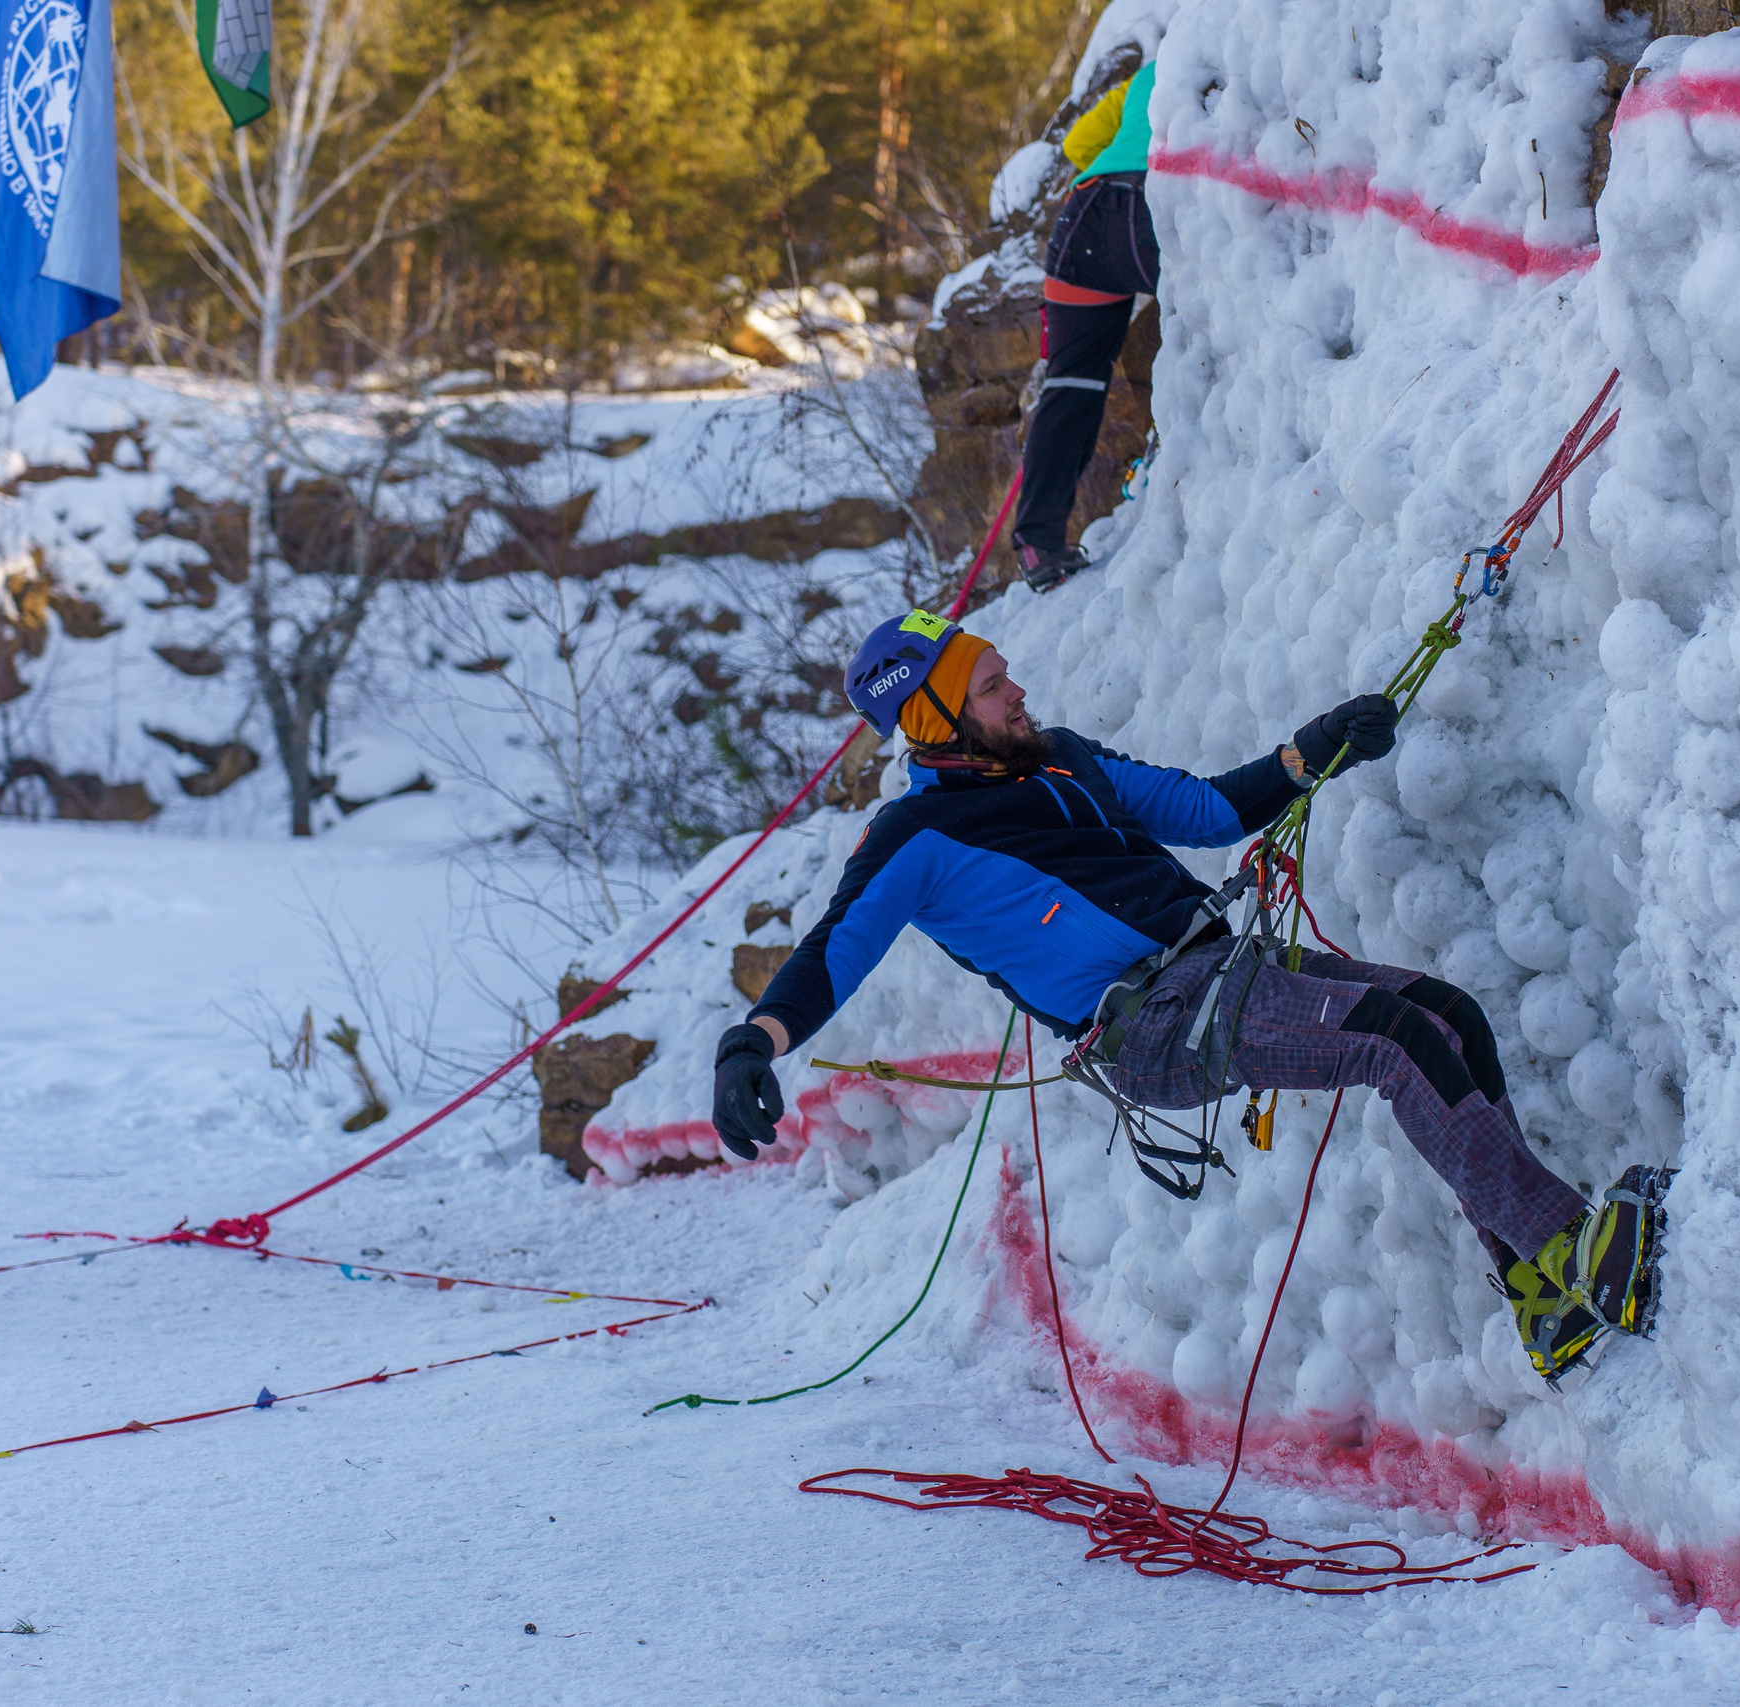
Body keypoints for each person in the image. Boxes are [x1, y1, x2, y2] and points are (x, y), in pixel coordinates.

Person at [710, 609, 1670, 1381]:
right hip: (1152, 1025)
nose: (1018, 690)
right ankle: (1573, 1248)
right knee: (1393, 1039)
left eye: (1006, 674)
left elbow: (1207, 808)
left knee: (1445, 1016)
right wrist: (756, 1040)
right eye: (992, 685)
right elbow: (833, 949)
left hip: (1220, 967)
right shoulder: (915, 838)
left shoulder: (1066, 756)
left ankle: (1543, 1297)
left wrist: (1317, 746)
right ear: (933, 716)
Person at [1013, 62, 1162, 593]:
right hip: (1161, 203)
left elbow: (1079, 142)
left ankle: (1039, 543)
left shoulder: (1148, 71)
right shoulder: (1223, 49)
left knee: (1072, 381)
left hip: (1090, 215)